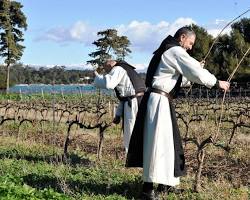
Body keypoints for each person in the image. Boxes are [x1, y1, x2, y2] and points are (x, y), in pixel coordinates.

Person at [126, 27, 230, 200]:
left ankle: (162, 186)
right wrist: (217, 82)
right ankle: (147, 191)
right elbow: (195, 73)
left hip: (160, 100)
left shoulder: (167, 50)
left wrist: (195, 67)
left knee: (165, 144)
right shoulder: (174, 50)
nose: (190, 47)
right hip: (159, 102)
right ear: (182, 38)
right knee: (157, 144)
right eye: (190, 43)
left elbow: (179, 79)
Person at [94, 59, 146, 153]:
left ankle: (133, 157)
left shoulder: (118, 68)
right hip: (139, 101)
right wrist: (118, 115)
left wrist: (97, 76)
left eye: (106, 70)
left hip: (134, 103)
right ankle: (138, 155)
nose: (106, 72)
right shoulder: (126, 69)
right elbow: (124, 98)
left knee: (131, 130)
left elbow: (108, 84)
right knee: (139, 129)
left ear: (109, 66)